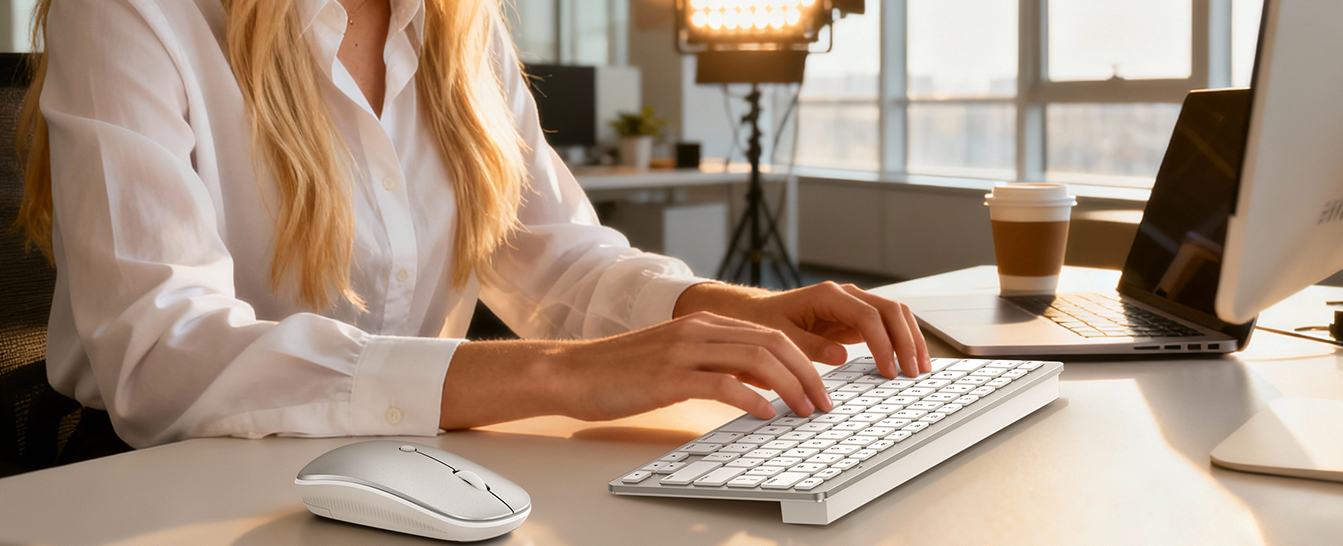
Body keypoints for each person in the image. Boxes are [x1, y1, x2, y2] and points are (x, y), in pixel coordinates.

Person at [15, 0, 929, 449]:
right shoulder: (135, 13)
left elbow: (555, 259)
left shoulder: (462, 27)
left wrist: (721, 309)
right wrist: (561, 373)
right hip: (154, 475)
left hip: (405, 465)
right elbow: (162, 355)